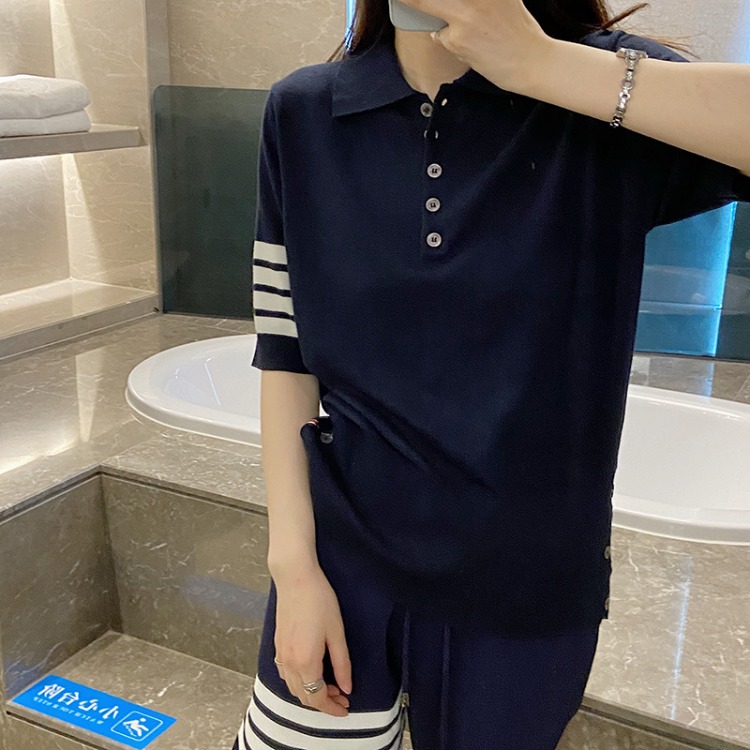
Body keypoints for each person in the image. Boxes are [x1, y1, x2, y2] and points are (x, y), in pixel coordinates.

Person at [232, 0, 750, 747]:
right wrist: (294, 570)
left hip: (528, 586)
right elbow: (286, 354)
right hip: (341, 562)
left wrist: (539, 63)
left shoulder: (592, 89)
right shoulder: (305, 111)